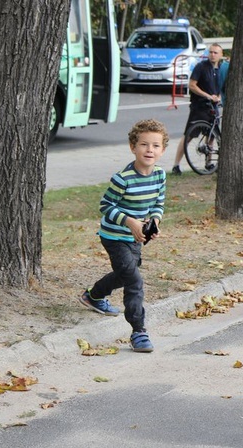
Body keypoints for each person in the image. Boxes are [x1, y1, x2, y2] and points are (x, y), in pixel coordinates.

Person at [79, 119, 169, 353]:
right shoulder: (123, 178)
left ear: (163, 150)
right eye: (144, 144)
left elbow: (158, 203)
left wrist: (155, 222)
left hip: (137, 237)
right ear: (133, 147)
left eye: (155, 146)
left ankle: (93, 296)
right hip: (114, 236)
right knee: (134, 281)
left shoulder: (159, 175)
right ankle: (138, 332)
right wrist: (129, 222)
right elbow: (106, 206)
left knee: (124, 275)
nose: (149, 150)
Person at [172, 43, 228, 175]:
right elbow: (192, 85)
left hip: (213, 106)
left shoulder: (221, 69)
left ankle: (209, 163)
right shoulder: (201, 67)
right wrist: (208, 96)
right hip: (199, 106)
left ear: (221, 55)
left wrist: (218, 96)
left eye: (216, 53)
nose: (213, 55)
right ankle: (176, 164)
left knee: (212, 136)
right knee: (189, 135)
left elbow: (221, 86)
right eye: (211, 52)